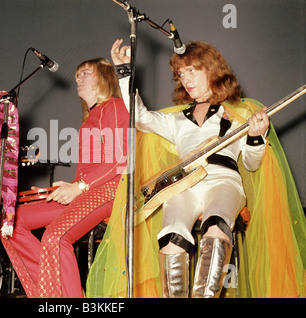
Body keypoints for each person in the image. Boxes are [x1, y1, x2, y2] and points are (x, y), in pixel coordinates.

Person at [85, 39, 306, 298]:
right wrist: (125, 72)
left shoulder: (240, 113)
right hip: (184, 185)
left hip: (223, 181)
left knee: (216, 227)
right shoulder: (176, 118)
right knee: (170, 236)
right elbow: (141, 117)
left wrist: (256, 137)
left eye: (192, 70)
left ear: (211, 70)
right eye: (181, 73)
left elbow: (252, 163)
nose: (185, 79)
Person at [1, 57, 129, 298]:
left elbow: (119, 161)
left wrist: (79, 186)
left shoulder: (114, 106)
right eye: (77, 75)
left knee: (55, 237)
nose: (77, 79)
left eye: (85, 73)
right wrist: (71, 188)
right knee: (11, 224)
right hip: (87, 192)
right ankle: (52, 294)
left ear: (104, 77)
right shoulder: (90, 118)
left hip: (110, 191)